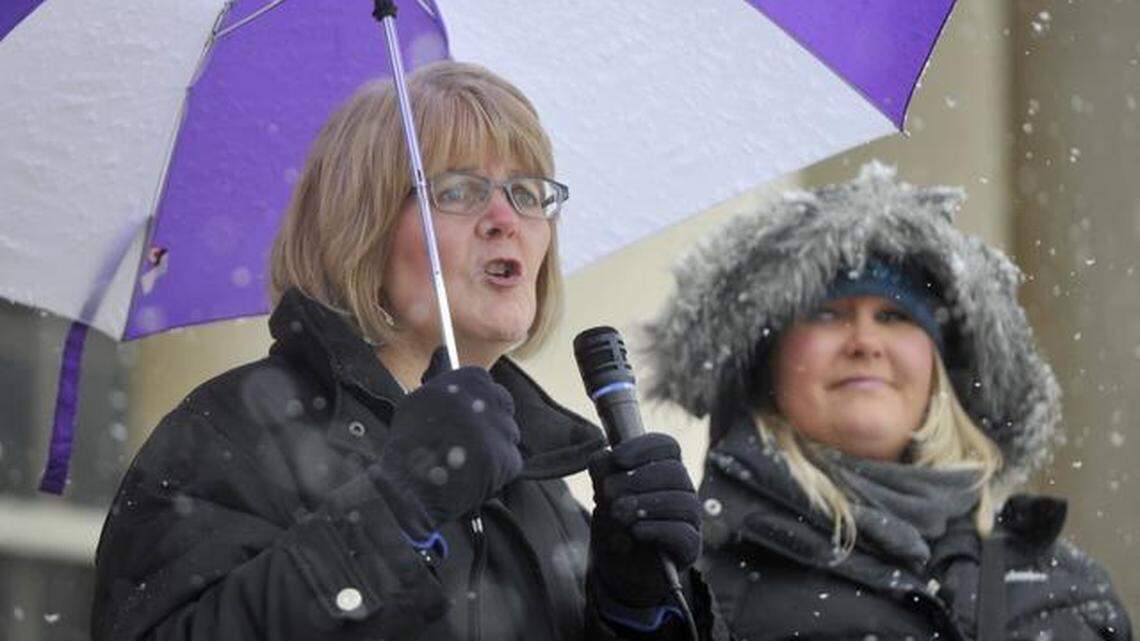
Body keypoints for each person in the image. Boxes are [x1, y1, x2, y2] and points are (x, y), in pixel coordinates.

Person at [91, 61, 724, 640]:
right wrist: (395, 511)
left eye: (527, 193)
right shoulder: (229, 435)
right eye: (457, 191)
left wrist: (635, 607)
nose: (507, 218)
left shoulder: (541, 484)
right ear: (360, 228)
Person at [645, 163, 1132, 640]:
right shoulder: (688, 591)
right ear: (765, 368)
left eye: (895, 316)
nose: (865, 342)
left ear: (939, 367)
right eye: (827, 314)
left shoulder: (1065, 588)